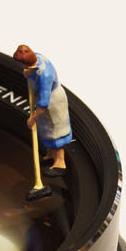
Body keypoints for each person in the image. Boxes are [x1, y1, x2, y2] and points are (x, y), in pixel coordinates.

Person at [13, 44, 74, 175]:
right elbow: (34, 70)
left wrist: (33, 119)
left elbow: (44, 103)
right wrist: (29, 72)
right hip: (44, 99)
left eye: (20, 64)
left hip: (53, 102)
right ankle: (50, 155)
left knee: (55, 131)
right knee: (46, 130)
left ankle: (60, 164)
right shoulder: (37, 57)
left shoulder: (45, 75)